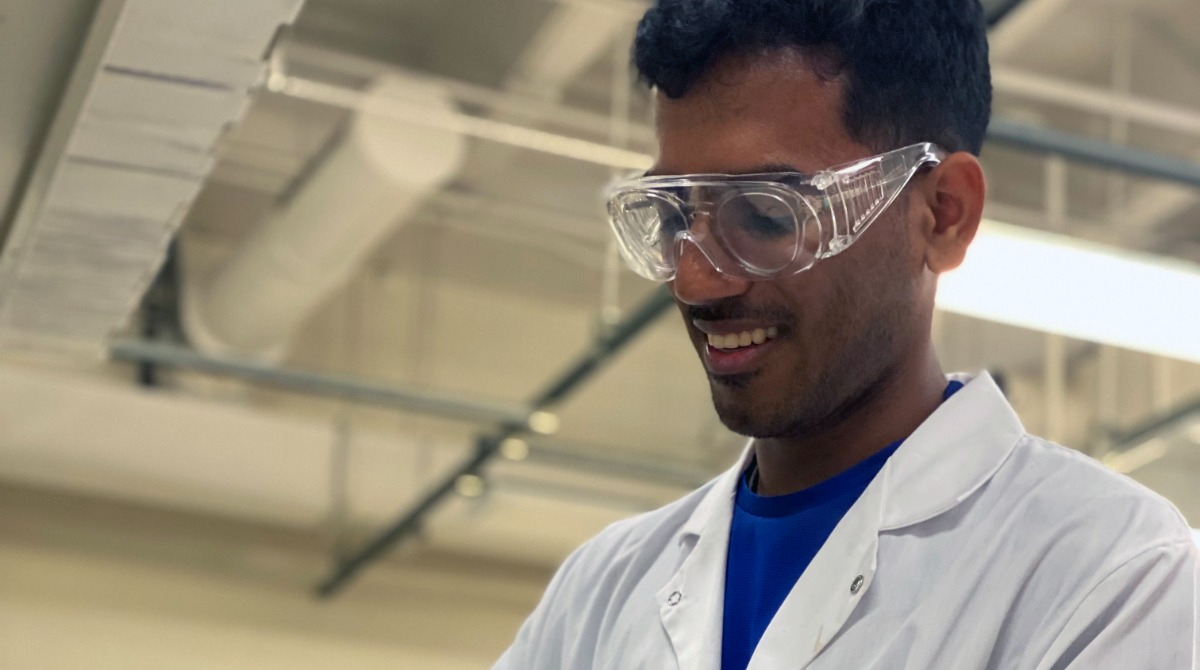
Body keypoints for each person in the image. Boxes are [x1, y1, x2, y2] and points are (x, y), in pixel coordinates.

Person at [494, 0, 1200, 667]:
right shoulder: (596, 597)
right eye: (675, 216)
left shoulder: (1112, 577)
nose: (694, 282)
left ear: (944, 215)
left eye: (766, 216)